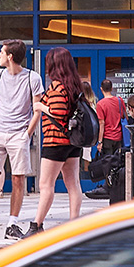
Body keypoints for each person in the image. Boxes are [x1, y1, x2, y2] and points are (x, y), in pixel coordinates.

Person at [0, 39, 43, 241]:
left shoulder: (32, 77)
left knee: (18, 178)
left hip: (18, 134)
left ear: (10, 56)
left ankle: (12, 224)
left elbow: (37, 109)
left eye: (2, 52)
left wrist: (27, 134)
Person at [26, 47, 84, 234]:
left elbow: (58, 113)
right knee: (73, 183)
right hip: (72, 142)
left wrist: (40, 106)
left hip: (55, 141)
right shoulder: (75, 85)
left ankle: (37, 225)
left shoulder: (58, 86)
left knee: (45, 184)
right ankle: (74, 223)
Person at [96, 79, 127, 156]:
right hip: (119, 136)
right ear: (112, 88)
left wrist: (100, 142)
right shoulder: (119, 100)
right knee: (117, 160)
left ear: (101, 89)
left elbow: (101, 123)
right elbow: (125, 116)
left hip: (107, 137)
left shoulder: (100, 104)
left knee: (108, 160)